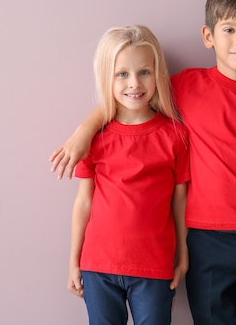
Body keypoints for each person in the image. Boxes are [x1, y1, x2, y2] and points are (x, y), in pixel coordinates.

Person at [52, 0, 236, 325]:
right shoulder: (184, 86)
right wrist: (84, 131)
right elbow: (129, 94)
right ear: (208, 36)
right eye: (229, 29)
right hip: (206, 240)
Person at [67, 25, 190, 325]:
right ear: (106, 78)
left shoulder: (175, 135)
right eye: (122, 74)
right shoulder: (95, 138)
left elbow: (180, 202)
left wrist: (183, 255)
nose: (134, 83)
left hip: (154, 266)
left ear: (157, 73)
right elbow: (84, 202)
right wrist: (73, 260)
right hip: (99, 266)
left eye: (144, 72)